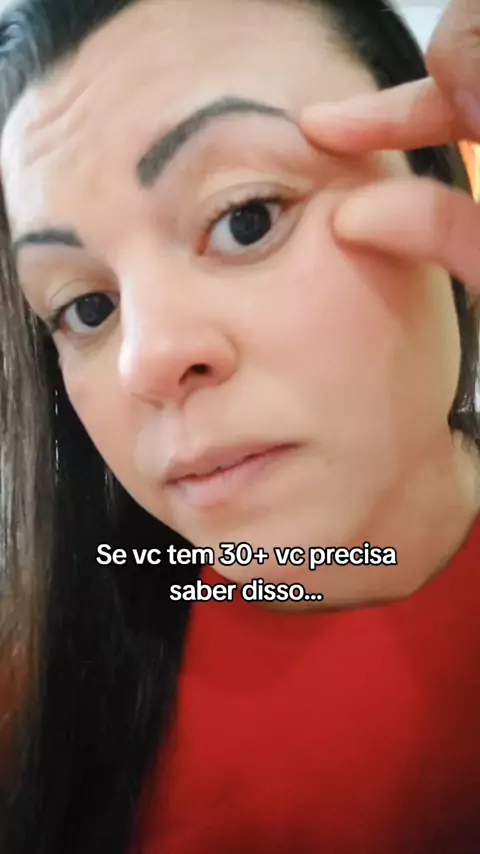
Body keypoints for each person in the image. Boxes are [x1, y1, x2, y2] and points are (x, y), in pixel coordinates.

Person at [0, 0, 479, 852]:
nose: (145, 360)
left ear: (435, 179)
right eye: (86, 307)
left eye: (245, 217)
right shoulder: (31, 680)